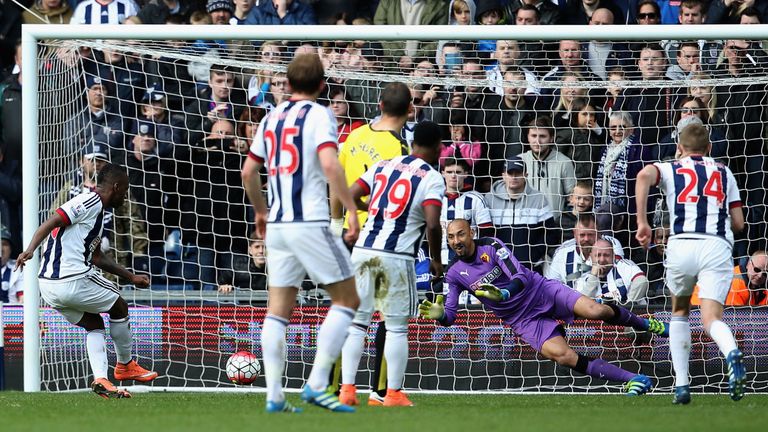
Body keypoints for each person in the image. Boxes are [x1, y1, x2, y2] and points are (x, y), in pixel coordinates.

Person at [419, 219, 669, 395]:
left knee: (597, 311)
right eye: (451, 237)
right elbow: (450, 315)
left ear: (471, 233)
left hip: (540, 291)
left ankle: (647, 324)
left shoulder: (492, 246)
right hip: (522, 319)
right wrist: (440, 316)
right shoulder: (453, 273)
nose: (456, 241)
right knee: (564, 357)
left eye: (460, 234)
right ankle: (632, 379)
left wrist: (504, 292)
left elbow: (521, 276)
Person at [241, 53, 360, 413]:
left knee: (277, 311)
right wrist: (351, 209)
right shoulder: (320, 115)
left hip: (276, 224)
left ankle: (274, 395)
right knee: (348, 301)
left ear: (288, 84)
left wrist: (260, 210)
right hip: (308, 222)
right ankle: (317, 383)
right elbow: (328, 163)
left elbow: (248, 172)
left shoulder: (271, 117)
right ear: (323, 85)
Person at [14, 163, 157, 399]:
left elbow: (98, 256)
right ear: (117, 186)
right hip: (72, 278)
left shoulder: (97, 213)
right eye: (125, 190)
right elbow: (52, 220)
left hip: (49, 288)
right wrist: (30, 249)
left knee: (93, 324)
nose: (125, 196)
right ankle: (125, 365)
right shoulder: (89, 201)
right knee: (119, 305)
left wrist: (130, 277)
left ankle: (101, 378)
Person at [635, 122, 747, 404]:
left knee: (680, 311)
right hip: (715, 246)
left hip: (682, 244)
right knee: (711, 318)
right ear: (709, 148)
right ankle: (732, 352)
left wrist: (642, 222)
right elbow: (739, 223)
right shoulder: (725, 172)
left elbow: (643, 175)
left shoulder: (672, 167)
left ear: (680, 148)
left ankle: (682, 386)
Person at [339, 121, 445, 408]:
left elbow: (348, 193)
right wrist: (436, 259)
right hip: (396, 257)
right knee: (397, 328)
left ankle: (347, 390)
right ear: (437, 147)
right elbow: (433, 224)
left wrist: (371, 209)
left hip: (362, 252)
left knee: (357, 323)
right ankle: (393, 394)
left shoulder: (385, 165)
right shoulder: (432, 177)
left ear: (412, 143)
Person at [331, 81, 411, 237]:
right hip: (375, 232)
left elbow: (335, 177)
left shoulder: (356, 134)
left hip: (348, 228)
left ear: (380, 105)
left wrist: (336, 221)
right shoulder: (399, 147)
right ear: (410, 108)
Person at [484, 156, 557, 270]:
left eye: (518, 173)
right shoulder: (489, 199)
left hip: (530, 267)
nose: (514, 177)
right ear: (503, 175)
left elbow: (551, 233)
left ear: (526, 175)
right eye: (510, 173)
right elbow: (484, 233)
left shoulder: (538, 199)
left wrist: (532, 255)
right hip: (497, 266)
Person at [546, 212, 624, 287]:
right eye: (582, 235)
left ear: (598, 233)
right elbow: (551, 287)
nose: (586, 239)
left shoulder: (611, 245)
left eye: (590, 235)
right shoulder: (562, 252)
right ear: (574, 233)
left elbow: (619, 275)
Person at [573, 239, 649, 305]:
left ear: (613, 256)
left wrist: (628, 306)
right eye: (598, 255)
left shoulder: (623, 266)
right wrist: (593, 277)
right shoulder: (582, 279)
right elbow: (579, 304)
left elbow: (641, 280)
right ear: (591, 257)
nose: (602, 260)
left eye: (606, 255)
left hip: (629, 318)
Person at [690, 251, 768, 306]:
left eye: (765, 273)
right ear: (748, 264)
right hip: (697, 316)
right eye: (757, 269)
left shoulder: (754, 285)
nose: (760, 275)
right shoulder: (736, 284)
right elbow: (734, 319)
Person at [1, 225, 22, 304]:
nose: (0, 248)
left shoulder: (18, 268)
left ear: (10, 249)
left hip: (12, 314)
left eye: (4, 244)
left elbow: (23, 299)